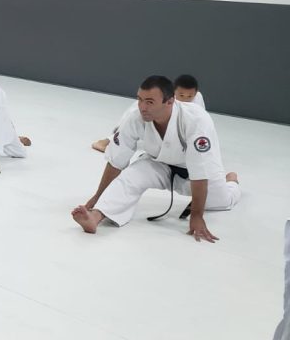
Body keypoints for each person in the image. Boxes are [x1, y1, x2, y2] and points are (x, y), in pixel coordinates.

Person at [71, 75, 241, 242]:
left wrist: (196, 215)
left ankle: (231, 180)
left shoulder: (196, 119)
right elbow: (116, 161)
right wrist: (98, 197)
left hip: (196, 173)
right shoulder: (135, 117)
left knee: (221, 201)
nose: (142, 107)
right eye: (140, 99)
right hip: (160, 164)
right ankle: (95, 217)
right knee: (131, 176)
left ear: (170, 102)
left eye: (150, 102)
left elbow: (200, 170)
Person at [91, 73, 206, 152]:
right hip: (158, 125)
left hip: (179, 136)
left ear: (196, 93)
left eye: (190, 96)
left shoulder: (198, 99)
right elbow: (135, 112)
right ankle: (108, 140)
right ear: (173, 93)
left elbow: (202, 121)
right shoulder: (164, 99)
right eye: (181, 95)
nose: (185, 99)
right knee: (136, 111)